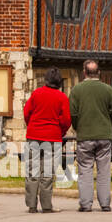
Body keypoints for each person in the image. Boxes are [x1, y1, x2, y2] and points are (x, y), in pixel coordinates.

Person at [68, 59, 112, 212]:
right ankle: (105, 203)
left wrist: (78, 126)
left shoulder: (76, 90)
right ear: (98, 72)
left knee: (85, 170)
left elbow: (72, 113)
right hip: (104, 136)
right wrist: (107, 123)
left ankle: (86, 204)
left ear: (84, 72)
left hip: (84, 136)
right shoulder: (107, 89)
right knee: (103, 170)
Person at [22, 68, 72, 213]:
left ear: (45, 80)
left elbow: (27, 112)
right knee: (47, 172)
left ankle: (31, 205)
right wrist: (60, 131)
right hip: (52, 137)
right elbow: (66, 120)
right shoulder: (62, 97)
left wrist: (31, 126)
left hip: (33, 136)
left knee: (32, 171)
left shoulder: (36, 94)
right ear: (59, 82)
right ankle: (46, 205)